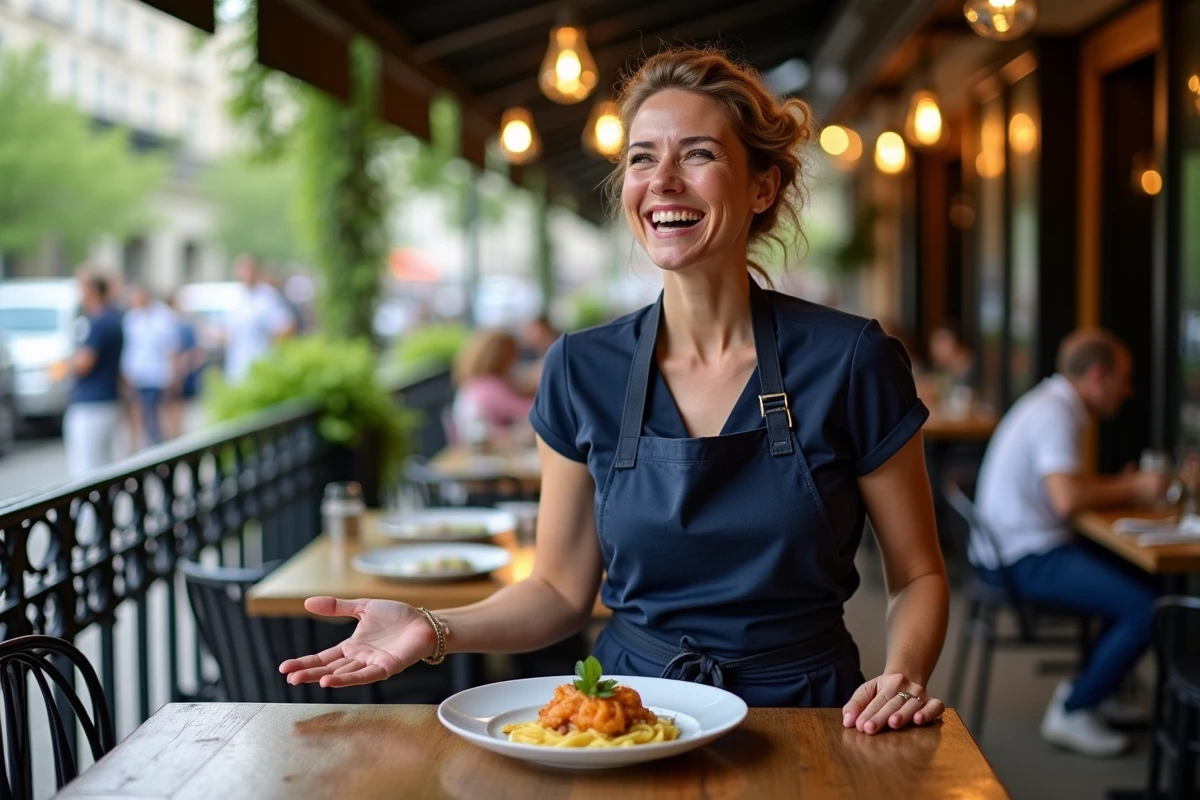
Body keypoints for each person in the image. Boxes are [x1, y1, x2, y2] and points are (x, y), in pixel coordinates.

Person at [279, 48, 949, 734]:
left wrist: (904, 673)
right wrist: (433, 627)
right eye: (641, 158)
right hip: (627, 715)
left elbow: (918, 574)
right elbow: (557, 591)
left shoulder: (851, 360)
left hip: (808, 714)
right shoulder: (580, 368)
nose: (663, 181)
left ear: (761, 187)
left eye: (698, 154)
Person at [973, 329, 1167, 757]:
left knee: (1135, 578)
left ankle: (1101, 687)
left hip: (1011, 549)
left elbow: (1065, 488)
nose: (1129, 391)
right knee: (1146, 608)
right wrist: (1135, 486)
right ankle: (1074, 707)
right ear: (1097, 375)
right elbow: (1067, 499)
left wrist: (1119, 485)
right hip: (1020, 559)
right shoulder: (1056, 413)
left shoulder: (1051, 403)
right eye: (1124, 379)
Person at [64, 270, 124, 477]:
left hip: (91, 404)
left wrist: (65, 366)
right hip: (107, 400)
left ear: (92, 290)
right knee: (103, 467)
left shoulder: (99, 323)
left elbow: (84, 363)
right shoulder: (112, 320)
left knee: (86, 469)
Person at [450, 329, 534, 446]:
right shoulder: (489, 386)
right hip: (493, 446)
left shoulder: (472, 385)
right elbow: (531, 411)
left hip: (474, 445)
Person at [120, 285, 179, 447]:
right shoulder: (131, 318)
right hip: (138, 374)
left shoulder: (163, 315)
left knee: (157, 413)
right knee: (141, 413)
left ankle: (161, 445)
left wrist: (173, 375)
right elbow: (129, 348)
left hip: (158, 375)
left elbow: (172, 347)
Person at [224, 255, 296, 384]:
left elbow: (287, 326)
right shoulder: (235, 297)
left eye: (248, 269)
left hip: (262, 366)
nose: (245, 274)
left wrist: (273, 349)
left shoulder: (267, 296)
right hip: (237, 369)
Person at [163, 292, 206, 440]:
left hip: (182, 378)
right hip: (171, 377)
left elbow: (197, 353)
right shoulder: (167, 325)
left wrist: (183, 368)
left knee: (179, 417)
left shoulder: (184, 327)